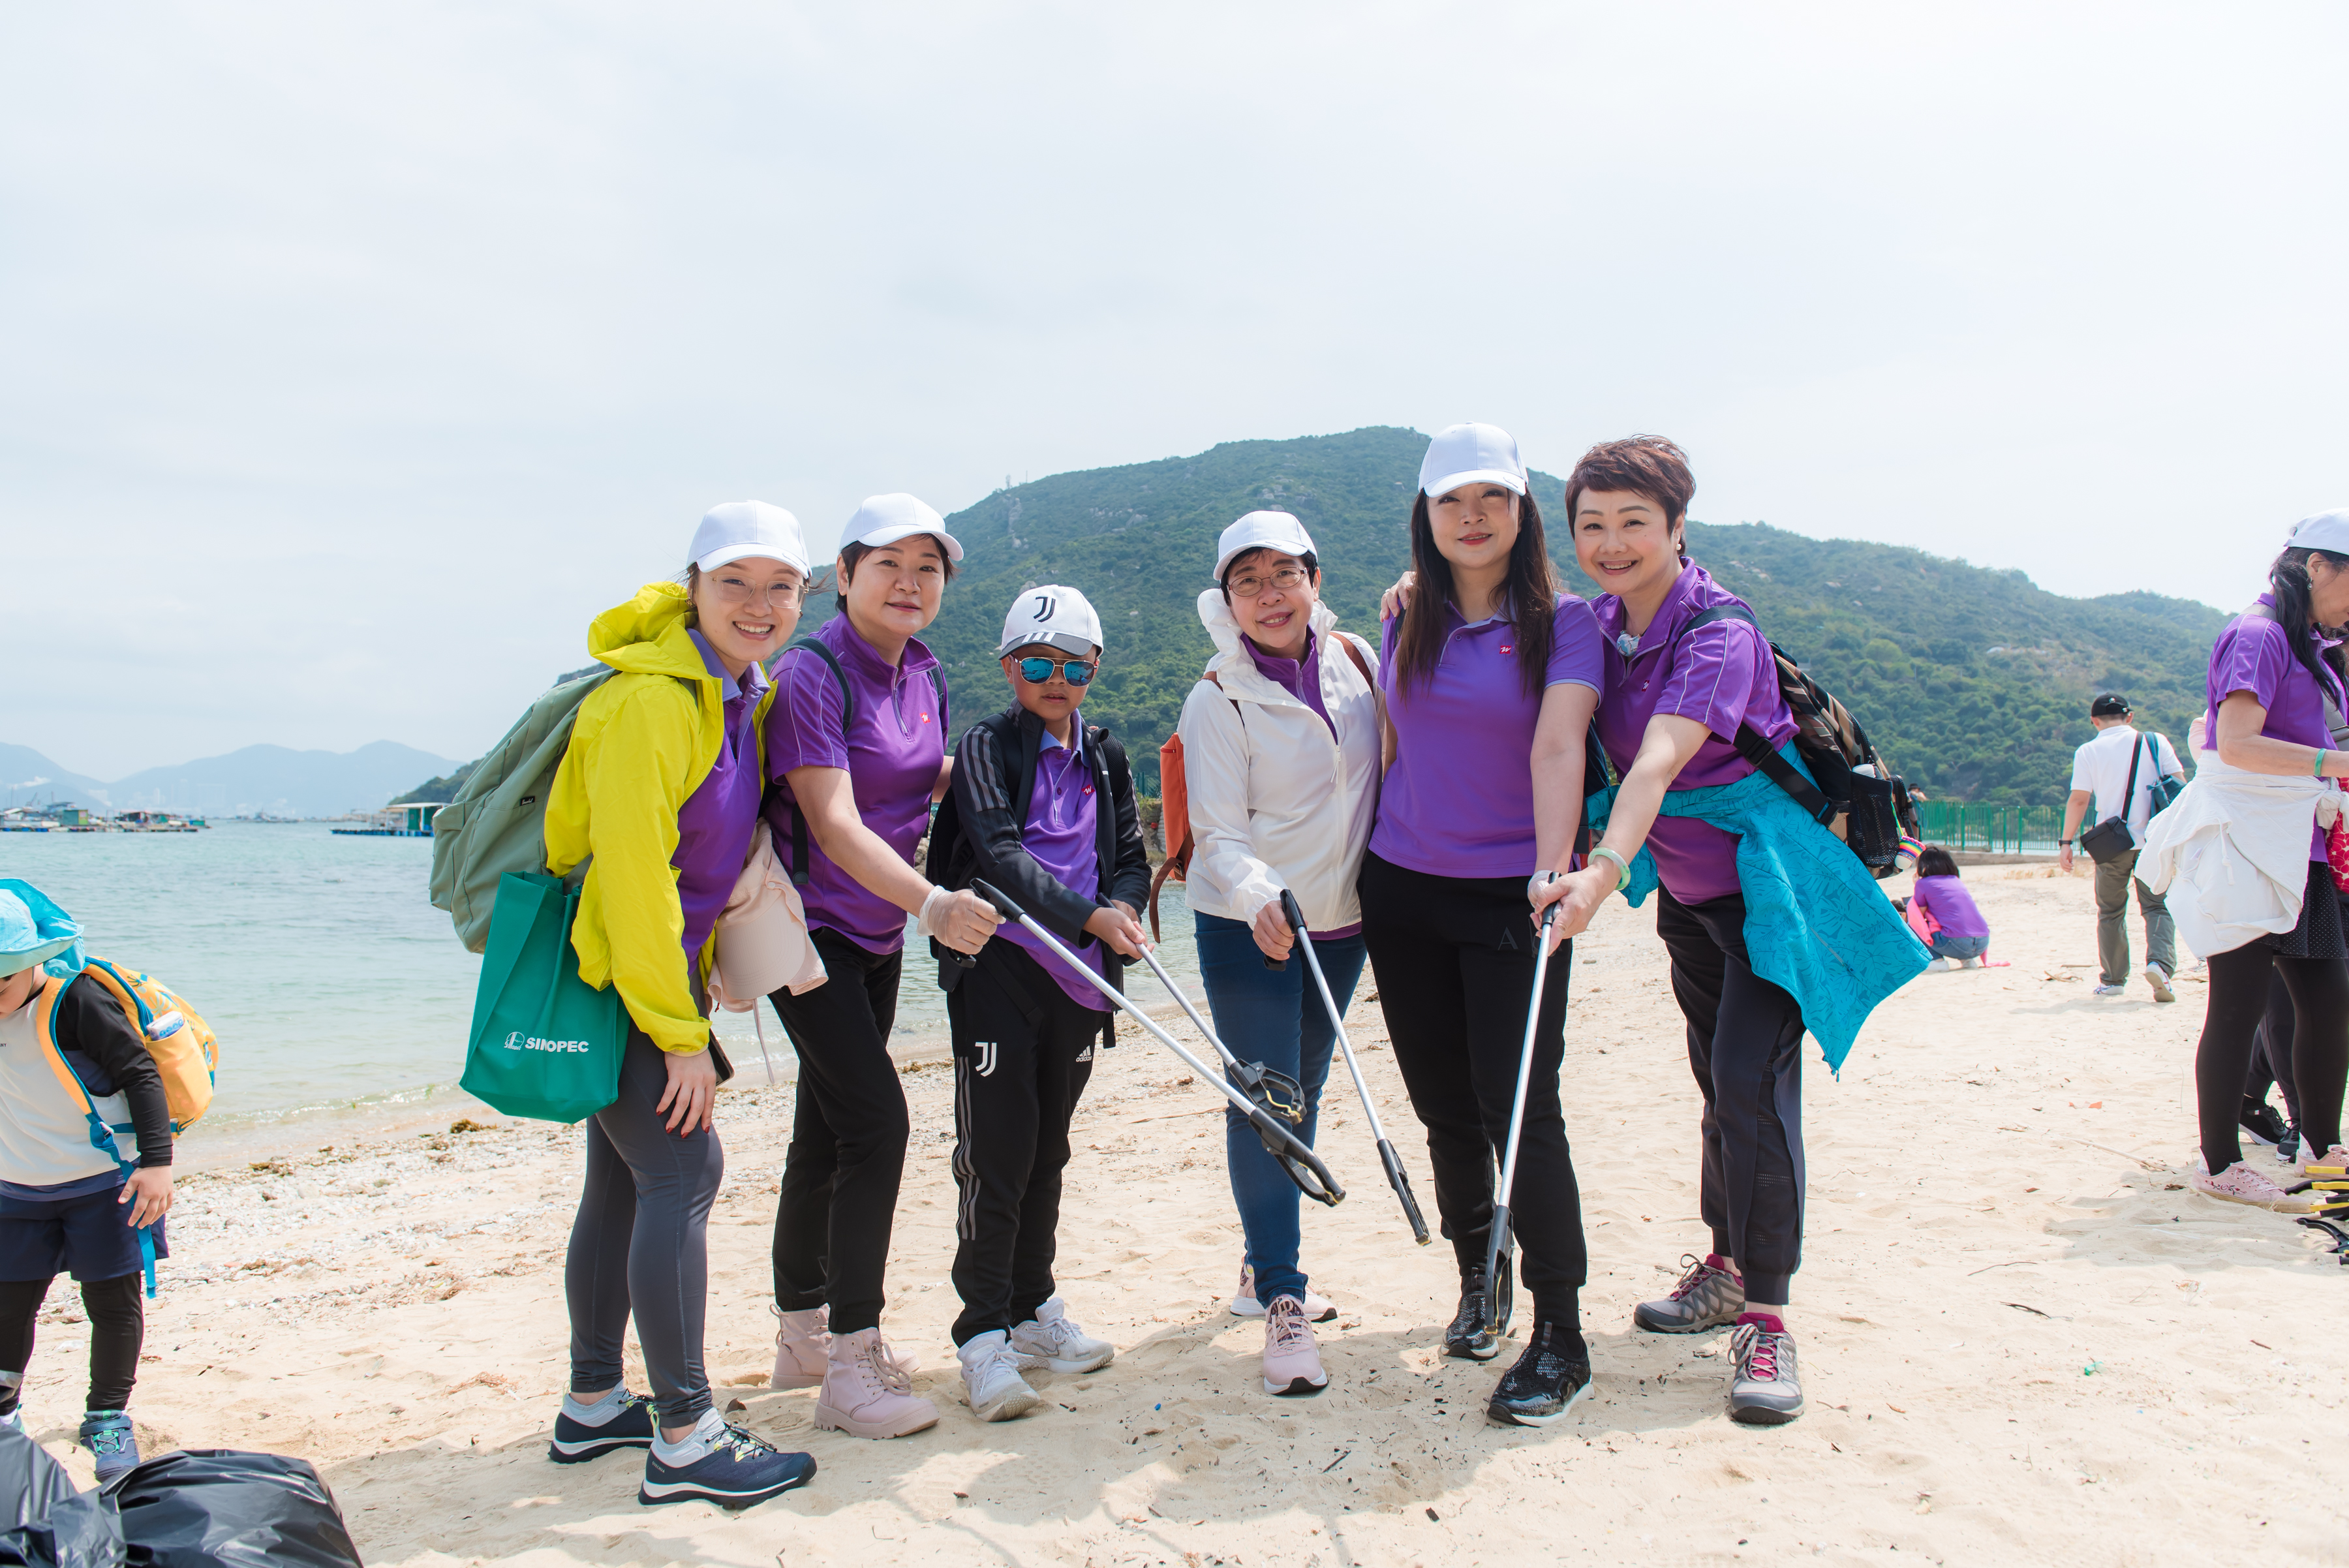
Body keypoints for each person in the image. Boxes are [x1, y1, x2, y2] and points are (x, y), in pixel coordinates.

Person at [1537, 437, 1928, 1428]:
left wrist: (1601, 867)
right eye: (1592, 525)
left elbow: (1657, 763)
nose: (1613, 543)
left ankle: (1768, 1315)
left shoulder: (1719, 631)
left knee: (1753, 1085)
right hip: (1694, 900)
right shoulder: (1599, 625)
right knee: (1720, 1078)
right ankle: (1724, 1262)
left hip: (1773, 898)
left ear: (1677, 527)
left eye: (1635, 522)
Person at [540, 501, 816, 1507]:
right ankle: (689, 1434)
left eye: (779, 586)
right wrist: (677, 1031)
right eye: (734, 582)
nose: (758, 604)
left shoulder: (735, 688)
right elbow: (631, 873)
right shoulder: (653, 700)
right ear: (693, 585)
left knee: (623, 1180)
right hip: (617, 973)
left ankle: (592, 1403)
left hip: (641, 970)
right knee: (686, 1169)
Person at [1358, 423, 1604, 1427]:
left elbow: (1560, 744)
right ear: (1426, 514)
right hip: (1402, 887)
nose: (1472, 515)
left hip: (1515, 891)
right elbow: (1382, 740)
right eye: (1452, 499)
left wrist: (1553, 872)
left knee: (1522, 1110)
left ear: (1521, 511)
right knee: (1444, 1106)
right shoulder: (1402, 617)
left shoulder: (1565, 621)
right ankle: (1478, 1273)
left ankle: (1562, 1331)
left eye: (1492, 498)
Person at [761, 494, 1001, 1440]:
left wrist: (1000, 773)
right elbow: (833, 819)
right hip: (808, 931)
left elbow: (920, 774)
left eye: (928, 568)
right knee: (880, 1125)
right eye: (889, 564)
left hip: (874, 935)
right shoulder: (813, 673)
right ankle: (853, 1362)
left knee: (825, 1132)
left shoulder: (925, 670)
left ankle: (801, 1334)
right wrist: (934, 905)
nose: (910, 582)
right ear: (847, 571)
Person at [927, 585, 1148, 1421]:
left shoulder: (1107, 754)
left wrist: (1121, 908)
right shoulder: (987, 746)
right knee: (996, 1154)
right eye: (1036, 664)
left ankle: (1032, 1312)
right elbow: (1000, 853)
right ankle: (982, 1338)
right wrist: (1089, 914)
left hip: (1080, 980)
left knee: (1047, 1149)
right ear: (1011, 667)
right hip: (1002, 969)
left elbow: (1129, 852)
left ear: (1093, 668)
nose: (1055, 680)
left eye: (1072, 666)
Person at [1178, 512, 1383, 1398]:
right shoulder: (1216, 696)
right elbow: (1218, 832)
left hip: (1344, 919)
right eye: (1247, 581)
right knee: (1265, 1095)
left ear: (1313, 577)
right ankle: (1284, 1298)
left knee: (1305, 1083)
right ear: (1227, 600)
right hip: (1246, 920)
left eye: (1282, 574)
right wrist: (1261, 893)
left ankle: (1260, 1258)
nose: (1268, 594)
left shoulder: (1361, 664)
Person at [2138, 514, 2349, 1207]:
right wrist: (2334, 762)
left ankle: (2323, 1149)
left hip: (2302, 844)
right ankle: (2222, 1163)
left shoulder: (2311, 645)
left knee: (2328, 1000)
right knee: (2240, 1003)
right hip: (2246, 841)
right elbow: (2237, 741)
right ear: (2317, 566)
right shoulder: (2256, 635)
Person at [0, 882, 171, 1483]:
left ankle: (106, 1416)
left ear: (30, 963)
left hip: (106, 1186)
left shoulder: (77, 1000)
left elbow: (141, 1074)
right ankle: (4, 1416)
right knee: (8, 1304)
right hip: (16, 1189)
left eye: (1, 982)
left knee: (111, 1304)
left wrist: (157, 1164)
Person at [2058, 694, 2184, 1000]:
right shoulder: (2155, 741)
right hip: (2155, 841)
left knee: (2111, 911)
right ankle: (2160, 967)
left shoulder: (2088, 751)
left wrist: (2066, 842)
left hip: (2112, 842)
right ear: (2129, 717)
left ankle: (2113, 981)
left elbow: (2079, 799)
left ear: (2094, 721)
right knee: (2157, 907)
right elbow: (2179, 784)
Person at [1909, 846, 1989, 967]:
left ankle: (1937, 962)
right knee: (1951, 921)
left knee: (1913, 927)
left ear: (1923, 866)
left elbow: (1919, 916)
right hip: (1983, 942)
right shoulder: (1956, 880)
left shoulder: (1923, 883)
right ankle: (1967, 961)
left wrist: (1917, 886)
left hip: (1959, 943)